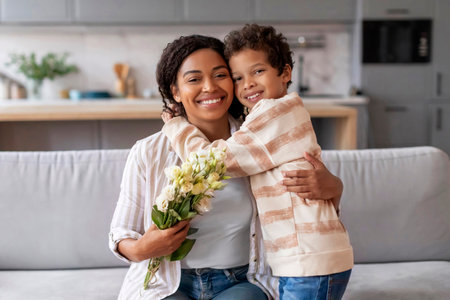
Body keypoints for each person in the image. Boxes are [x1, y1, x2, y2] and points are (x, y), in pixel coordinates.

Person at [109, 34, 344, 300]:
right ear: (175, 91)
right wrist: (142, 248)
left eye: (221, 75)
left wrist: (335, 187)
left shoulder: (261, 140)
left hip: (240, 283)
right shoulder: (149, 151)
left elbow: (301, 208)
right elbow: (121, 233)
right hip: (169, 283)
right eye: (194, 79)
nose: (209, 87)